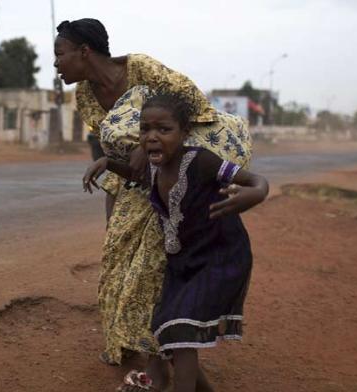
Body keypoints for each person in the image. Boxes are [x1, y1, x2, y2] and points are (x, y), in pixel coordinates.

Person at [55, 18, 253, 390]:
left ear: (84, 52)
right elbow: (111, 145)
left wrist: (158, 147)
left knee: (151, 270)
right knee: (115, 260)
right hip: (133, 175)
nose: (56, 64)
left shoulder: (140, 68)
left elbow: (195, 106)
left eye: (59, 55)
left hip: (174, 168)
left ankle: (162, 363)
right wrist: (120, 186)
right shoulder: (83, 95)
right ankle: (130, 345)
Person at [84, 91, 268, 391]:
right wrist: (106, 162)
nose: (152, 137)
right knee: (167, 332)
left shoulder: (201, 162)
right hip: (182, 263)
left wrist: (257, 192)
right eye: (145, 129)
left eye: (164, 130)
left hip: (218, 258)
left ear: (184, 133)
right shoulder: (155, 168)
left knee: (181, 334)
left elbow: (254, 180)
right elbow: (133, 172)